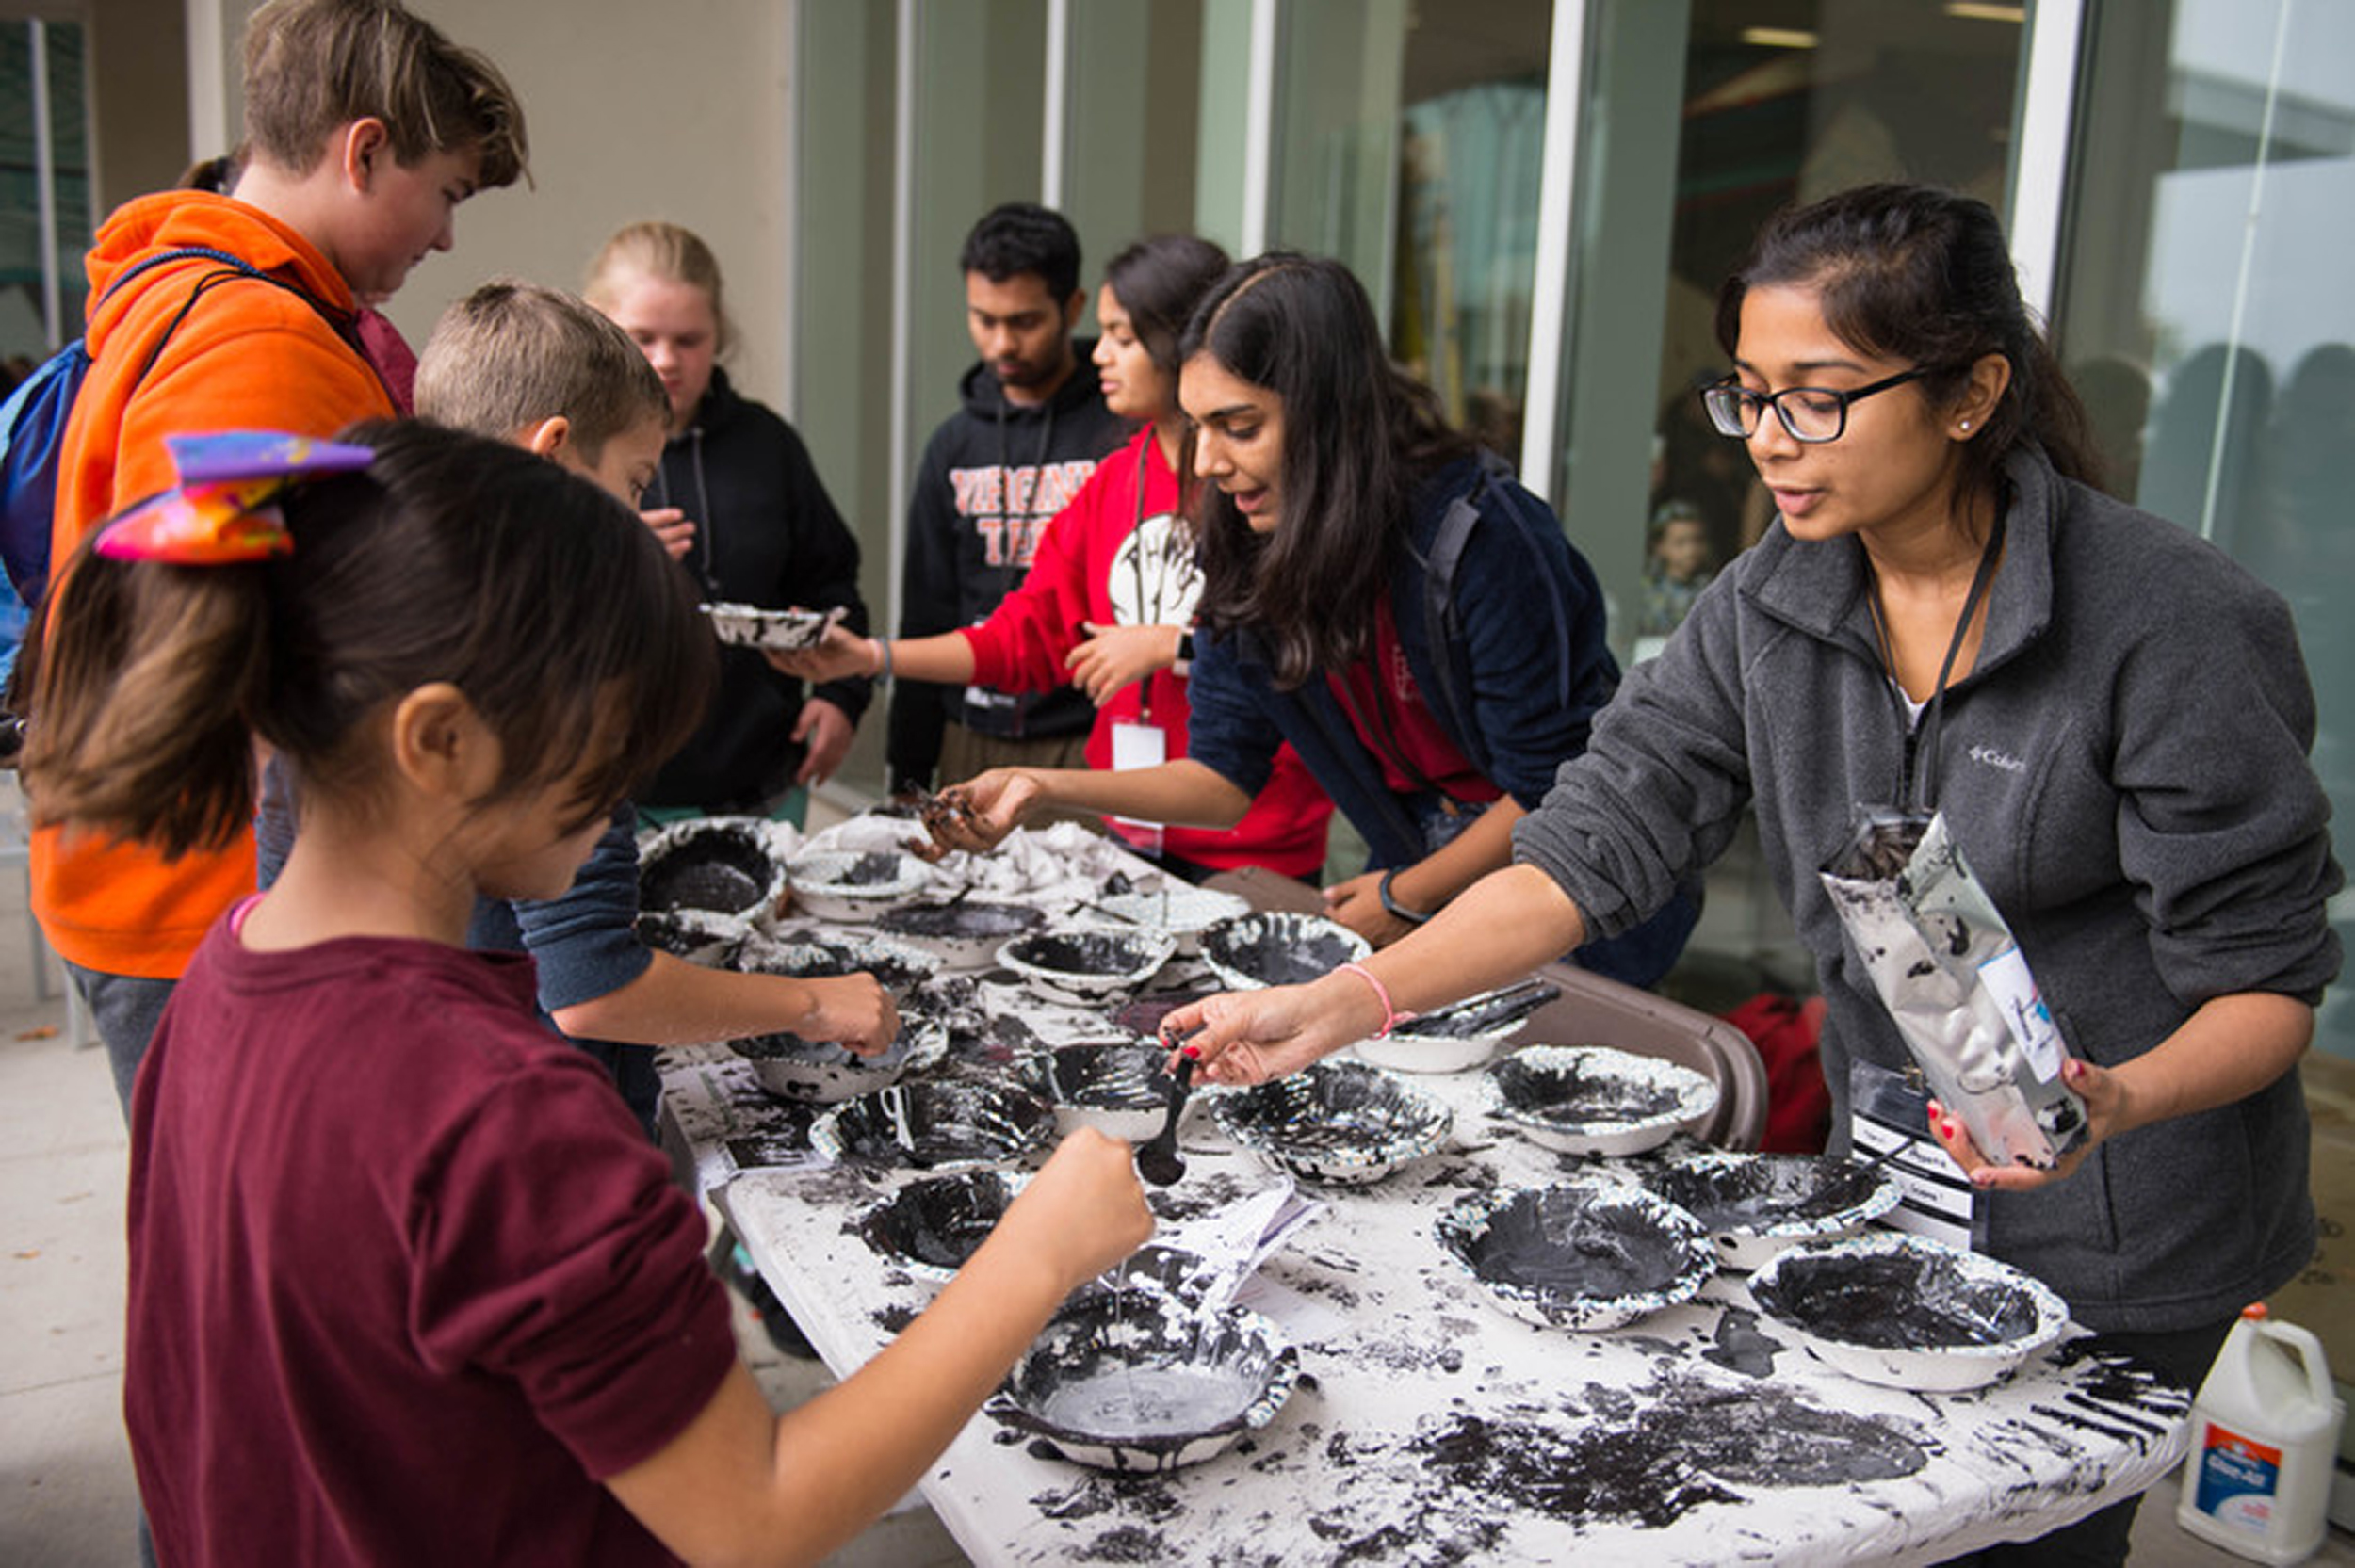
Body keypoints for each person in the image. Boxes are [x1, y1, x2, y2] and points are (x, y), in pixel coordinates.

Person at [1164, 186, 2341, 1564]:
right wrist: (1354, 998)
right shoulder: (1770, 604)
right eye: (1749, 397)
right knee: (1887, 1519)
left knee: (2030, 1542)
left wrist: (2116, 1098)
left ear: (1971, 394)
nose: (1771, 442)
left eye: (1817, 398)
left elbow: (2266, 991)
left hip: (2129, 1214)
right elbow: (1583, 843)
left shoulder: (2168, 625)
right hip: (1903, 1169)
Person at [17, 420, 1154, 1566]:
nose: (626, 790)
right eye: (609, 746)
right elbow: (754, 1515)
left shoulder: (223, 975)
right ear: (443, 741)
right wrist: (1037, 1254)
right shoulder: (507, 1118)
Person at [922, 253, 1697, 984]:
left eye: (1241, 426)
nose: (1207, 466)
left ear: (1333, 415)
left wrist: (1405, 893)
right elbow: (1223, 776)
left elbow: (1550, 787)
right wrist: (1040, 788)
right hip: (1427, 892)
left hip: (1579, 904)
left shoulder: (1484, 541)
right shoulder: (1245, 536)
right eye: (1199, 428)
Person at [28, 0, 528, 1119]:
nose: (445, 236)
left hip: (151, 873)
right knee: (254, 1255)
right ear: (364, 150)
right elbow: (206, 638)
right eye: (444, 191)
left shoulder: (176, 293)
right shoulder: (262, 345)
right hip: (208, 896)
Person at [779, 234, 1332, 882]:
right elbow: (1025, 635)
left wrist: (1174, 644)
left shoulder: (1260, 487)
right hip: (1130, 829)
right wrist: (873, 657)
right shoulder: (1112, 480)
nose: (1100, 354)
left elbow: (1306, 641)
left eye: (1121, 337)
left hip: (1257, 842)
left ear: (1186, 343)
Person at [583, 219, 870, 823]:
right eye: (644, 337)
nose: (667, 361)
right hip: (609, 803)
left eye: (690, 340)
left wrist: (842, 698)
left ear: (719, 336)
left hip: (760, 787)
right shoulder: (569, 450)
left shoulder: (768, 445)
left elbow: (833, 584)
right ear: (600, 329)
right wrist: (610, 556)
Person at [888, 202, 1134, 800]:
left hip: (1085, 739)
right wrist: (908, 772)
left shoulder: (1121, 430)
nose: (1002, 343)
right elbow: (927, 607)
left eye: (1024, 322)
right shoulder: (953, 444)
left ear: (1073, 308)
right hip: (967, 731)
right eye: (983, 319)